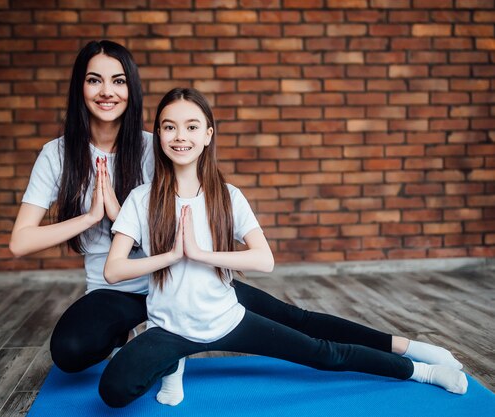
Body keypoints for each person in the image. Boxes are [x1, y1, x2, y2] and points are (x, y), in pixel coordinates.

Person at [10, 40, 463, 405]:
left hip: (192, 283)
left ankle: (405, 348)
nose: (107, 91)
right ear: (80, 88)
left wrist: (206, 257)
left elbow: (208, 205)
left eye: (118, 80)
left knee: (296, 320)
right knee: (71, 351)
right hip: (120, 291)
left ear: (133, 91)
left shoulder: (160, 144)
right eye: (95, 80)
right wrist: (93, 216)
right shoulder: (58, 154)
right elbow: (22, 242)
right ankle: (155, 342)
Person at [98, 87, 468, 408]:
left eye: (192, 126)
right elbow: (113, 270)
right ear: (159, 135)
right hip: (169, 328)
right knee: (114, 390)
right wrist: (172, 255)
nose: (181, 136)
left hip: (227, 319)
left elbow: (265, 259)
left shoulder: (228, 197)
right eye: (169, 126)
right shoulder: (141, 199)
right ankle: (172, 362)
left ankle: (420, 370)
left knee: (324, 353)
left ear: (208, 134)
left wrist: (201, 254)